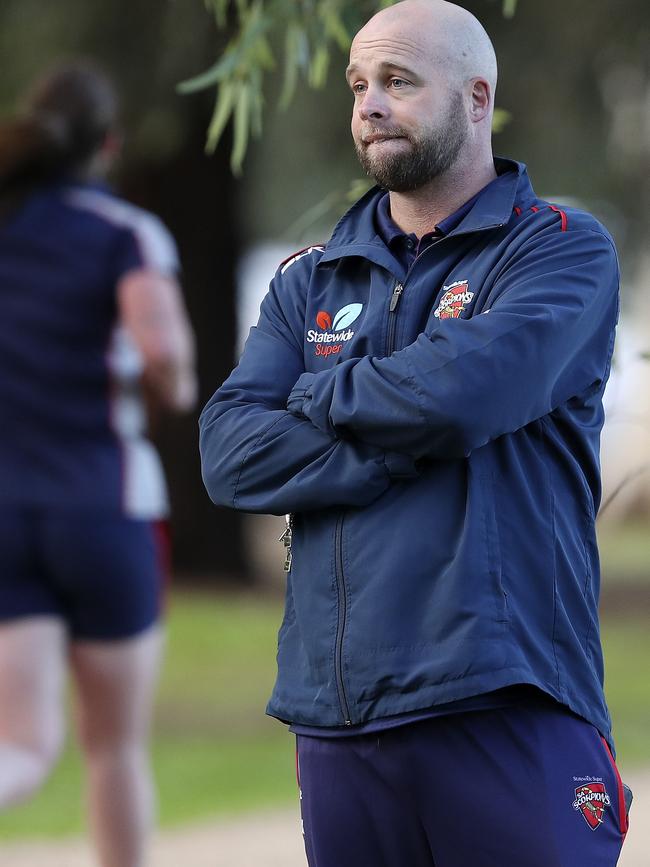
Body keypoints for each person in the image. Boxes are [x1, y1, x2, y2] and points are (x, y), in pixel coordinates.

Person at [199, 1, 630, 864]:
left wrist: (317, 395)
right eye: (359, 84)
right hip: (338, 716)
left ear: (476, 99)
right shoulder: (308, 280)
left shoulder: (557, 250)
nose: (369, 103)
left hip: (504, 697)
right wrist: (396, 443)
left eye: (398, 81)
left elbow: (463, 398)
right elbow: (229, 453)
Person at [0, 61, 196, 866]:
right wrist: (166, 385)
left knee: (25, 742)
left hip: (6, 514)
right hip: (103, 504)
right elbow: (167, 356)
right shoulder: (125, 232)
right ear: (108, 147)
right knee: (112, 747)